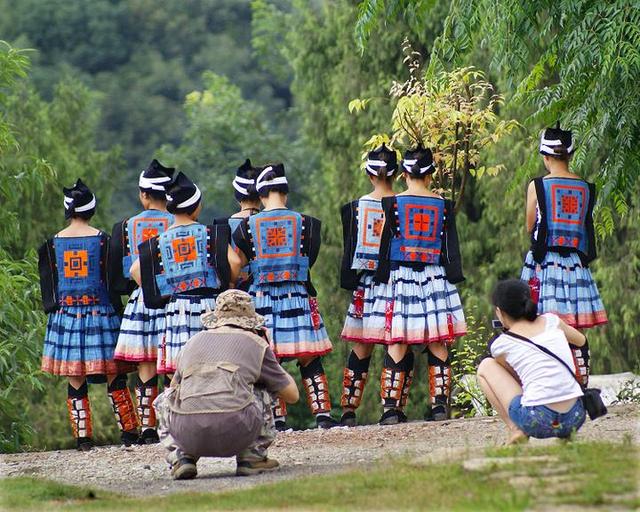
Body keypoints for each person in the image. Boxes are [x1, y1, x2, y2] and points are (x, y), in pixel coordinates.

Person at [230, 163, 338, 429]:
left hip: (262, 301)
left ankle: (277, 419)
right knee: (309, 357)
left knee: (269, 359)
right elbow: (309, 259)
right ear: (285, 192)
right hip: (297, 295)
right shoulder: (307, 224)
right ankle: (322, 413)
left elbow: (238, 262)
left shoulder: (245, 228)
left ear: (261, 194)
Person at [38, 179, 138, 450]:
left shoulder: (51, 244)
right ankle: (129, 433)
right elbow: (116, 282)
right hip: (102, 314)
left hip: (66, 318)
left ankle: (83, 439)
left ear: (68, 211)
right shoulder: (104, 241)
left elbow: (48, 290)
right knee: (114, 375)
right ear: (92, 210)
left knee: (75, 378)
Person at [155, 289, 299, 479]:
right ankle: (252, 457)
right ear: (249, 320)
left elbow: (174, 389)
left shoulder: (192, 342)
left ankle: (182, 457)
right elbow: (292, 395)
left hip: (188, 433)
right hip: (236, 430)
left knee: (165, 399)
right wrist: (268, 353)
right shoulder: (256, 343)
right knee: (261, 388)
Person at [374, 145, 466, 424]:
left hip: (401, 278)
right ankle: (439, 406)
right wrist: (454, 277)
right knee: (438, 340)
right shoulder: (444, 205)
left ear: (403, 174)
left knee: (398, 339)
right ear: (430, 175)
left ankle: (391, 408)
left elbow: (385, 247)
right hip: (435, 277)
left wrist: (381, 280)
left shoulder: (391, 203)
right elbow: (451, 249)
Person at [521, 124, 607, 386]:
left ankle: (549, 383)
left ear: (545, 157)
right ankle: (580, 383)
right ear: (570, 155)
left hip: (545, 263)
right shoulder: (586, 188)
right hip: (576, 265)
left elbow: (529, 225)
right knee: (573, 325)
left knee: (544, 322)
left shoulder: (538, 186)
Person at [132, 171, 231, 376]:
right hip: (208, 307)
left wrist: (161, 292)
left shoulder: (159, 241)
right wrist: (227, 285)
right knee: (211, 367)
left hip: (176, 309)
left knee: (179, 371)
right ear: (196, 207)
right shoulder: (210, 233)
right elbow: (236, 261)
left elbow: (135, 270)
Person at [110, 159, 175, 444]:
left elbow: (120, 275)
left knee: (146, 362)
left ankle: (147, 428)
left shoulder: (125, 227)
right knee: (173, 362)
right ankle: (173, 424)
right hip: (175, 299)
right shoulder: (179, 222)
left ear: (144, 195)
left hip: (142, 299)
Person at [477, 279, 587, 444]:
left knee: (485, 366)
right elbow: (581, 341)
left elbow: (513, 377)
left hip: (538, 420)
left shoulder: (501, 344)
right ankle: (564, 433)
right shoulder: (552, 321)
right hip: (576, 416)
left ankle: (516, 430)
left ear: (499, 312)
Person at [338, 143, 399, 426]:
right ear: (398, 173)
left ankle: (348, 410)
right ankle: (391, 408)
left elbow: (351, 251)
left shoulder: (357, 207)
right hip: (396, 283)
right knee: (395, 342)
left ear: (369, 174)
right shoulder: (402, 204)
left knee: (362, 345)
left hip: (366, 286)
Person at [214, 159, 261, 291]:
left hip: (235, 296)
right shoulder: (269, 224)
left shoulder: (221, 226)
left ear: (237, 195)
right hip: (268, 294)